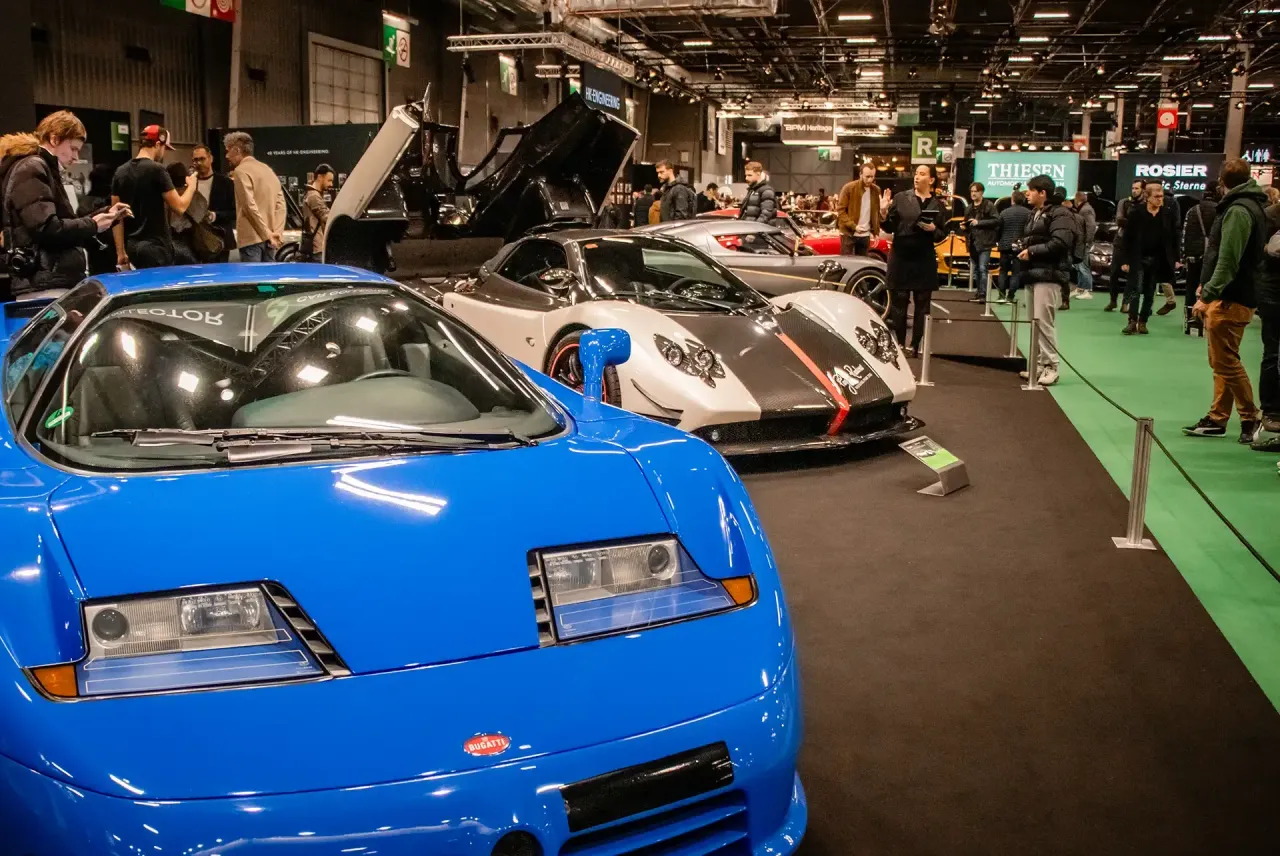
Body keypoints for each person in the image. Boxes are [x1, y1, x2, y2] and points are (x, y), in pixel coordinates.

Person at [1184, 159, 1269, 442]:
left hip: (1231, 297)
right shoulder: (1251, 205)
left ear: (1222, 182)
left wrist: (1207, 294)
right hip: (1236, 294)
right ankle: (1218, 417)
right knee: (1224, 360)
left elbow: (1228, 260)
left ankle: (1250, 418)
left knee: (1226, 363)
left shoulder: (1238, 210)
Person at [0, 111, 127, 297]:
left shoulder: (39, 167)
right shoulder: (33, 167)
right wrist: (93, 224)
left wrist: (104, 216)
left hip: (48, 281)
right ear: (54, 139)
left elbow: (54, 224)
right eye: (73, 148)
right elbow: (47, 228)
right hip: (44, 285)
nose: (76, 157)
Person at [1016, 174, 1076, 386]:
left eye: (1031, 190)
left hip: (1050, 274)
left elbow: (1060, 243)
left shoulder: (1061, 213)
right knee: (1034, 322)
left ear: (1043, 193)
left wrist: (1032, 251)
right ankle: (1039, 365)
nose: (1027, 193)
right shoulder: (1035, 213)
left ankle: (1052, 366)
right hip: (1032, 273)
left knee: (1044, 322)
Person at [111, 125, 197, 269]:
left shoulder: (120, 172)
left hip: (132, 247)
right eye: (164, 148)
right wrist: (192, 186)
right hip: (156, 247)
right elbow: (180, 207)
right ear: (157, 144)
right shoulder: (157, 170)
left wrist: (120, 252)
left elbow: (116, 217)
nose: (163, 153)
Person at [883, 164, 946, 357]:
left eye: (922, 174)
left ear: (931, 180)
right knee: (899, 302)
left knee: (923, 305)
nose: (917, 177)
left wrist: (933, 229)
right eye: (916, 173)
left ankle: (915, 345)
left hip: (924, 258)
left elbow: (941, 234)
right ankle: (900, 344)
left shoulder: (938, 205)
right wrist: (883, 212)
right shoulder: (901, 198)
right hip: (901, 257)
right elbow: (889, 227)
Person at [1119, 181, 1180, 335]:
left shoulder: (1167, 214)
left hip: (1158, 259)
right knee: (1135, 289)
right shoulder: (1136, 213)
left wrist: (1176, 258)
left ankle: (1143, 322)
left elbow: (1174, 237)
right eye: (1157, 196)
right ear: (1147, 197)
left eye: (1161, 196)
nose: (1160, 199)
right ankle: (1132, 321)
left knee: (1149, 291)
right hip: (1138, 257)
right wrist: (1125, 260)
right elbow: (1127, 238)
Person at [223, 131, 285, 263]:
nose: (226, 156)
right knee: (269, 275)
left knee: (253, 275)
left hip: (251, 239)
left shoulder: (240, 171)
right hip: (271, 239)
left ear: (237, 150)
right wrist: (277, 233)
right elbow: (281, 205)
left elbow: (248, 206)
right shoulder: (268, 170)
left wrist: (266, 234)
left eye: (228, 151)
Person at [1252, 201, 1280, 452]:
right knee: (1272, 355)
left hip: (1270, 291)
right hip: (1273, 294)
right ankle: (1271, 413)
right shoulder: (1269, 216)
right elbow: (1259, 250)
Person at [191, 143, 236, 262]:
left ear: (210, 158)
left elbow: (235, 212)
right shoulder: (190, 183)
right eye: (195, 160)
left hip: (220, 240)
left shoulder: (226, 183)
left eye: (202, 159)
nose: (199, 163)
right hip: (195, 243)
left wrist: (214, 215)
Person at [1105, 179, 1145, 312]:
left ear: (1143, 190)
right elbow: (1119, 220)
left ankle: (1125, 303)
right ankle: (1113, 301)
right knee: (1114, 274)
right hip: (1120, 242)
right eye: (1133, 188)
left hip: (1137, 245)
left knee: (1133, 277)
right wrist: (1135, 223)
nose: (1134, 191)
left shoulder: (1145, 204)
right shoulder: (1124, 202)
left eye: (1137, 188)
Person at [1182, 186, 1220, 317]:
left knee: (1191, 285)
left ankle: (1189, 315)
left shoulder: (1193, 210)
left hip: (1194, 254)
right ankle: (1207, 315)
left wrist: (1184, 255)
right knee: (1209, 284)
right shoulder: (1220, 210)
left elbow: (1185, 234)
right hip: (1212, 255)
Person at [961, 182, 1000, 303]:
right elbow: (967, 224)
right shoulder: (969, 208)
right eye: (972, 191)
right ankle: (979, 292)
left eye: (975, 191)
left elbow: (996, 220)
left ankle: (983, 294)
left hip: (985, 242)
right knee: (977, 269)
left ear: (981, 192)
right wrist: (964, 227)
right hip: (972, 242)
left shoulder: (989, 205)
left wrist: (979, 222)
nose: (973, 193)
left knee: (983, 268)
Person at [835, 163, 884, 256]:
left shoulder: (876, 190)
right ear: (860, 174)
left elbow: (875, 213)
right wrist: (854, 226)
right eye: (867, 176)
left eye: (872, 176)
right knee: (847, 262)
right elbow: (841, 211)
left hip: (865, 235)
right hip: (848, 233)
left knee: (863, 262)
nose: (870, 180)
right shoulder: (849, 188)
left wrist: (876, 232)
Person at [995, 190, 1032, 303]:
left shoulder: (1004, 212)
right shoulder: (1028, 213)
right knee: (1016, 272)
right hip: (1020, 246)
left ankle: (1001, 296)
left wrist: (998, 241)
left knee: (1003, 271)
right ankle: (1010, 296)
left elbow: (998, 229)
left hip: (1005, 246)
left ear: (1012, 200)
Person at [163, 161, 200, 266]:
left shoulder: (165, 195)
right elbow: (201, 215)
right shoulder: (192, 194)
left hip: (169, 239)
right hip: (190, 239)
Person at [303, 163, 334, 260]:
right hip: (317, 247)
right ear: (320, 177)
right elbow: (326, 217)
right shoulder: (313, 196)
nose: (331, 184)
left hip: (317, 246)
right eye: (329, 180)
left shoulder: (313, 194)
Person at [1071, 191, 1097, 300]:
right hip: (1081, 242)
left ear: (1077, 200)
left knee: (1084, 266)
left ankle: (1088, 290)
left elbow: (1091, 226)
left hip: (1084, 242)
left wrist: (1087, 241)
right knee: (1079, 265)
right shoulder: (1084, 209)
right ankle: (1080, 288)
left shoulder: (1086, 210)